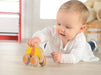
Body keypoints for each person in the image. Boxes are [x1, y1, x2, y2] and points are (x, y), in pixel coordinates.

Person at [27, 1, 99, 63]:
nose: (61, 29)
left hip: (82, 50)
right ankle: (48, 46)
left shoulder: (80, 40)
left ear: (81, 29)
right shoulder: (54, 30)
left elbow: (76, 57)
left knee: (88, 47)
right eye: (59, 24)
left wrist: (62, 58)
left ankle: (93, 44)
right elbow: (44, 33)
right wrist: (37, 38)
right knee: (46, 44)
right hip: (56, 49)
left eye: (67, 27)